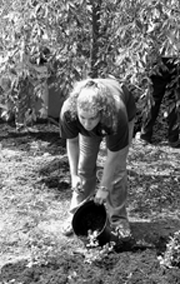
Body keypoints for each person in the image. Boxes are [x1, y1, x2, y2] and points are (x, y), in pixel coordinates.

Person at [59, 78, 136, 239]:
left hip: (116, 121)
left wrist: (104, 187)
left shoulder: (117, 113)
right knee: (84, 167)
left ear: (101, 111)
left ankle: (119, 219)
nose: (87, 124)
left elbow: (113, 156)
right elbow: (72, 143)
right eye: (83, 117)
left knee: (118, 171)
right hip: (98, 123)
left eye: (92, 118)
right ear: (76, 110)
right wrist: (73, 176)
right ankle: (76, 213)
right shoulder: (69, 111)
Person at [139, 57, 180, 148]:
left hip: (160, 58)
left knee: (154, 97)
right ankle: (173, 138)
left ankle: (145, 135)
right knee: (175, 99)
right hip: (176, 59)